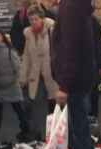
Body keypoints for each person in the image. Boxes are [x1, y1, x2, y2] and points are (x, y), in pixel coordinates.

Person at [52, 0, 101, 149]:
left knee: (78, 136)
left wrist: (64, 85)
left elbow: (70, 48)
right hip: (81, 78)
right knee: (79, 134)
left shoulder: (71, 6)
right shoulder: (77, 5)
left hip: (74, 81)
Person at [18, 8, 58, 141]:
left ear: (42, 18)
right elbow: (26, 57)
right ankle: (38, 136)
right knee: (36, 105)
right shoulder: (28, 34)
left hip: (52, 74)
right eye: (31, 20)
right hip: (35, 75)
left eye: (36, 19)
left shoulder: (52, 30)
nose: (33, 22)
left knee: (55, 104)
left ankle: (56, 135)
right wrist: (22, 77)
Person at [0, 30, 32, 141]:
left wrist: (15, 80)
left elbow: (18, 68)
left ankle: (27, 132)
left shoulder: (10, 51)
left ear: (3, 37)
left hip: (11, 85)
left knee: (19, 110)